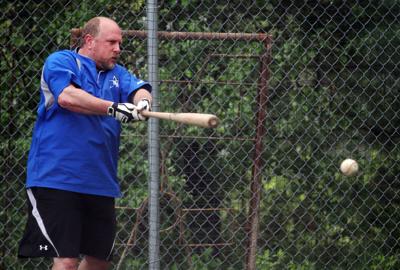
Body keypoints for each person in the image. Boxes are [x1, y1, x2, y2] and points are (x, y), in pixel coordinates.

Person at [18, 16, 152, 270]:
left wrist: (142, 102)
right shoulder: (61, 61)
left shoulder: (118, 74)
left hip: (100, 183)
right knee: (66, 261)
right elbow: (68, 97)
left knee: (99, 262)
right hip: (56, 178)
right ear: (90, 41)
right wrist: (113, 108)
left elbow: (139, 89)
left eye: (120, 43)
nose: (118, 49)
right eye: (111, 42)